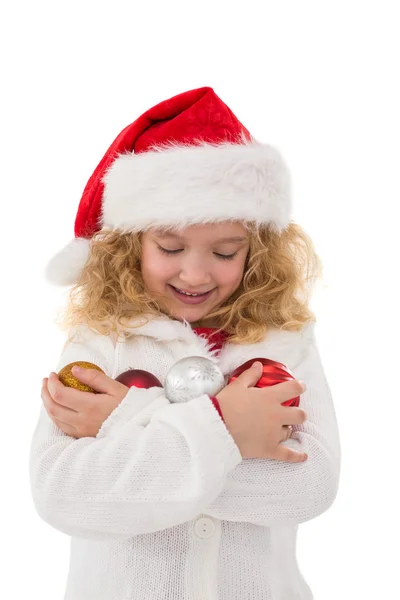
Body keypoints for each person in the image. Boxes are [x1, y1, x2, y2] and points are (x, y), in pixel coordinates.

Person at [29, 86, 341, 600]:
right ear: (132, 246)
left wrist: (128, 420)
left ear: (257, 252)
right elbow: (64, 494)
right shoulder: (102, 342)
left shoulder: (286, 343)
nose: (195, 274)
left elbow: (307, 486)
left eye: (225, 251)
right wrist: (230, 431)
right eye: (170, 247)